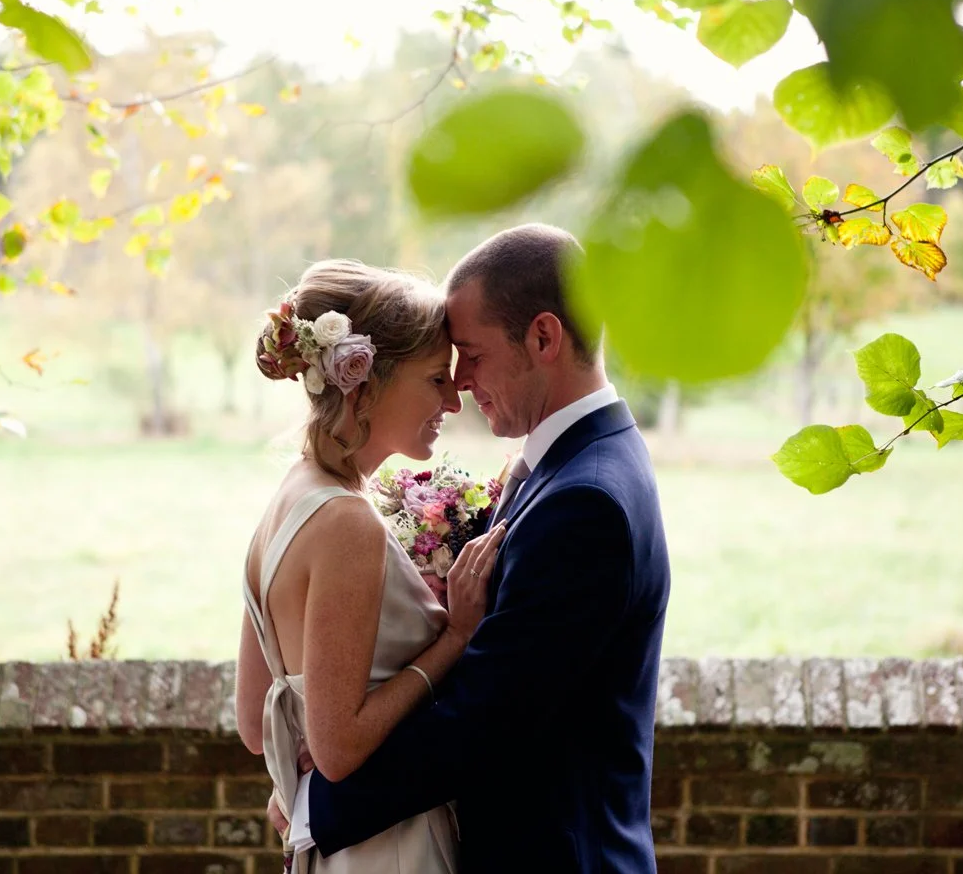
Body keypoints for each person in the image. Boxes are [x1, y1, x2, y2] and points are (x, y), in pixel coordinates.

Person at [287, 224, 672, 874]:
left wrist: (316, 804)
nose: (459, 383)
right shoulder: (573, 465)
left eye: (472, 353)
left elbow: (484, 721)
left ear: (544, 338)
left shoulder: (588, 503)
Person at [236, 259, 507, 873]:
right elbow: (338, 750)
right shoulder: (347, 523)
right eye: (436, 379)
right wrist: (456, 638)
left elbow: (256, 722)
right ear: (366, 380)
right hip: (391, 847)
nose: (452, 401)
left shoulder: (287, 498)